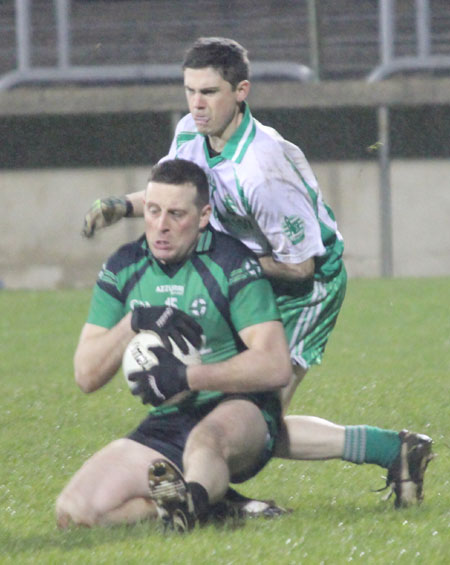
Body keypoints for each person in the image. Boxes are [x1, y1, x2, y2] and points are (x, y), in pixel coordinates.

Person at [80, 38, 433, 510]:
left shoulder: (262, 170)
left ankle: (223, 503)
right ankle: (390, 451)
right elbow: (180, 196)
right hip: (247, 278)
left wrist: (229, 267)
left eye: (210, 92)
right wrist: (122, 206)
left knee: (255, 417)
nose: (197, 105)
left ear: (241, 91)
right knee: (232, 414)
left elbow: (300, 266)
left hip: (306, 288)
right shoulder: (190, 132)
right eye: (190, 91)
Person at [56, 158, 292, 532]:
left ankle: (194, 502)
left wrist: (187, 376)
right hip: (168, 422)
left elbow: (276, 365)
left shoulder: (231, 262)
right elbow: (85, 375)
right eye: (153, 211)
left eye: (176, 214)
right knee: (74, 513)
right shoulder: (124, 267)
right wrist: (133, 322)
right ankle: (209, 505)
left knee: (206, 441)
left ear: (203, 216)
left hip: (240, 408)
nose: (161, 226)